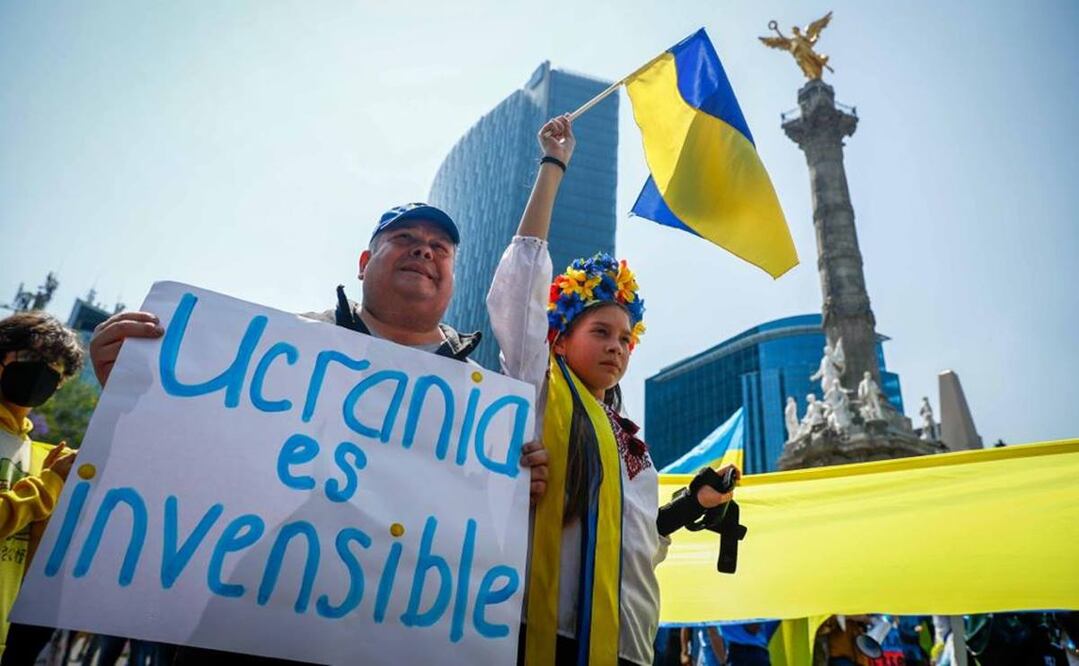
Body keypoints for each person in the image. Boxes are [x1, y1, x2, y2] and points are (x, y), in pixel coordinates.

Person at [87, 202, 550, 664]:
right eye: (405, 239)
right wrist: (138, 398)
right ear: (365, 264)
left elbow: (480, 525)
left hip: (398, 633)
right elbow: (195, 460)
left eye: (439, 248)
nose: (423, 252)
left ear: (452, 276)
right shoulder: (278, 348)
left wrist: (511, 491)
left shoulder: (483, 402)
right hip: (249, 618)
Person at [487, 115, 739, 666]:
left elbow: (642, 541)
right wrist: (553, 167)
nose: (616, 347)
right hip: (544, 636)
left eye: (625, 338)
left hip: (627, 648)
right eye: (600, 332)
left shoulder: (632, 444)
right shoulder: (538, 388)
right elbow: (521, 287)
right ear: (558, 337)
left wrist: (695, 504)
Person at [0, 312, 82, 663]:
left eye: (56, 371)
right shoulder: (47, 476)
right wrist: (50, 485)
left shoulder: (38, 456)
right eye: (33, 359)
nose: (43, 374)